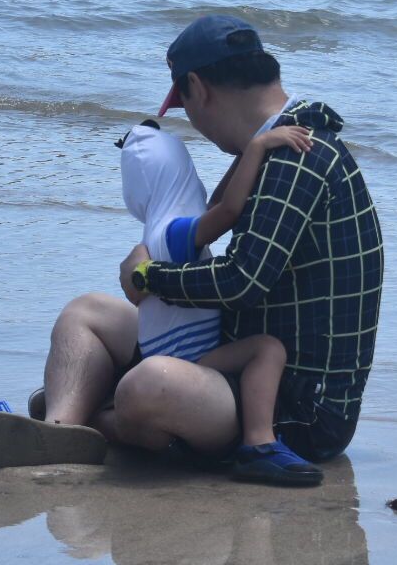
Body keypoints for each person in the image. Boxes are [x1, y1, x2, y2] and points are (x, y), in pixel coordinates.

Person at [0, 16, 383, 475]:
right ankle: (60, 429)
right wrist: (155, 258)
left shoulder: (295, 158)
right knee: (85, 313)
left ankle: (99, 417)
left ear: (198, 89)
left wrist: (150, 277)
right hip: (233, 356)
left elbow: (240, 281)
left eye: (185, 108)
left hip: (294, 412)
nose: (197, 126)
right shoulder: (274, 146)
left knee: (146, 385)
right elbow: (215, 219)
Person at [98, 120, 324, 486]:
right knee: (267, 349)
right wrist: (258, 146)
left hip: (166, 360)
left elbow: (217, 201)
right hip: (189, 365)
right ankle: (259, 443)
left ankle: (93, 419)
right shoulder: (174, 233)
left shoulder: (158, 232)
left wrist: (250, 141)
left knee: (133, 412)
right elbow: (230, 209)